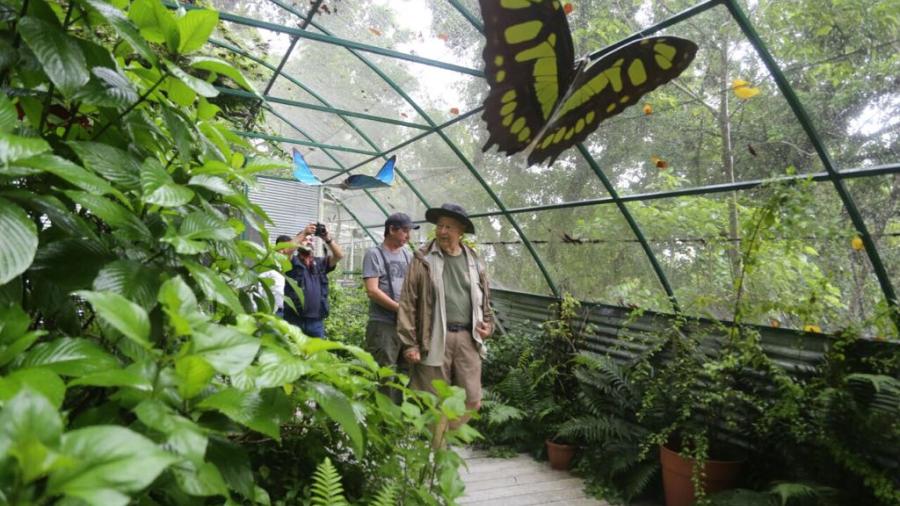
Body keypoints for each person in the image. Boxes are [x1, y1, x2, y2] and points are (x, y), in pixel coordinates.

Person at [397, 203, 493, 431]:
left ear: (461, 231)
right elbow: (408, 302)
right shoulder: (422, 259)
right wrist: (410, 343)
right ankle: (439, 451)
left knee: (473, 400)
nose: (441, 231)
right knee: (433, 401)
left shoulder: (474, 260)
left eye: (448, 227)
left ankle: (443, 437)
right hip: (433, 337)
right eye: (440, 226)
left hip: (468, 338)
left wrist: (489, 325)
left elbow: (485, 298)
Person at [362, 212, 420, 402]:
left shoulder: (407, 254)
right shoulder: (374, 254)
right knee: (385, 375)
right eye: (404, 231)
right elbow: (372, 290)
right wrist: (400, 309)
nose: (408, 236)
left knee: (405, 373)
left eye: (409, 231)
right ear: (391, 230)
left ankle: (400, 422)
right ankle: (383, 422)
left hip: (405, 325)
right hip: (383, 325)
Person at [284, 222, 344, 337]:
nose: (309, 241)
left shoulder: (320, 263)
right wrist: (304, 233)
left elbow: (339, 255)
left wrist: (326, 238)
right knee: (292, 352)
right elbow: (286, 252)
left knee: (317, 354)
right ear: (299, 244)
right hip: (294, 320)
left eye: (311, 240)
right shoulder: (291, 262)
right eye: (306, 239)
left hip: (316, 322)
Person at [259, 234, 292, 317]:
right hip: (274, 312)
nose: (284, 251)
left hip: (290, 313)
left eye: (287, 248)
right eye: (282, 248)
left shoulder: (293, 266)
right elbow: (259, 288)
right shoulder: (268, 266)